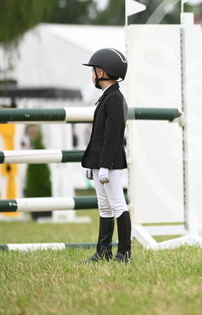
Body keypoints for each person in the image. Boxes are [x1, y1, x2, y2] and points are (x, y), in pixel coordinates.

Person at [81, 48, 132, 263]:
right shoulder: (106, 97)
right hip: (100, 161)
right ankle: (103, 251)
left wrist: (105, 165)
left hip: (109, 163)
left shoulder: (114, 99)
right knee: (104, 205)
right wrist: (93, 164)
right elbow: (98, 136)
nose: (92, 75)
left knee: (118, 204)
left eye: (93, 71)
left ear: (101, 72)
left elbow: (113, 136)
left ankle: (124, 252)